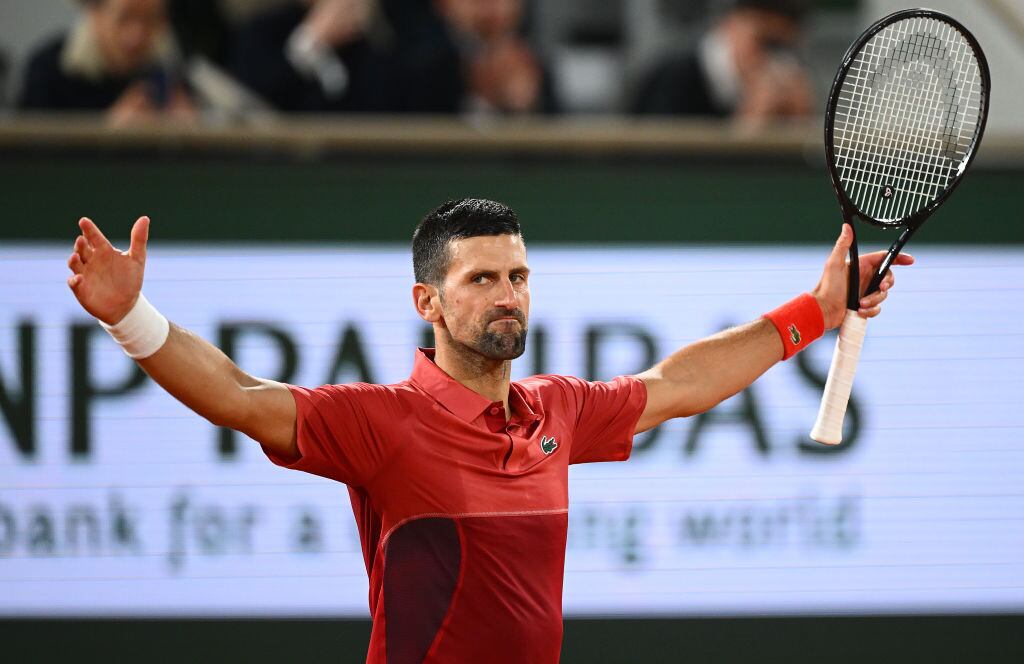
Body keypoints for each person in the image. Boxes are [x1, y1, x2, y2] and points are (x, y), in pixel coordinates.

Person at [65, 199, 910, 662]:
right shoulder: (380, 423)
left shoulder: (559, 408)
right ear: (427, 303)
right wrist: (131, 317)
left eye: (518, 275)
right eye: (480, 279)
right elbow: (240, 394)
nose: (508, 294)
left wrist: (817, 310)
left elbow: (676, 384)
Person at [632, 0, 813, 125]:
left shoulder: (793, 82)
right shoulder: (671, 79)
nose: (774, 61)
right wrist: (750, 124)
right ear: (730, 24)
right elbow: (659, 171)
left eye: (785, 49)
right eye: (766, 43)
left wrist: (799, 126)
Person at [17, 0, 195, 126]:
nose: (136, 35)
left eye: (150, 20)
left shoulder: (170, 71)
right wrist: (106, 135)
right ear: (95, 13)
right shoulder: (48, 70)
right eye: (124, 18)